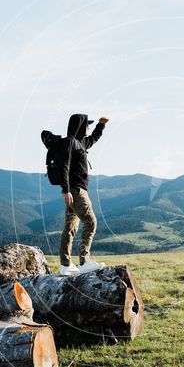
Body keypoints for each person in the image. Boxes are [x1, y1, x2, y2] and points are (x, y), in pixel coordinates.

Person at [42, 113, 110, 276]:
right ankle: (84, 261)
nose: (88, 128)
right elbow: (64, 166)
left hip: (76, 191)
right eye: (87, 125)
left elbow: (94, 138)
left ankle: (66, 265)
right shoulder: (70, 143)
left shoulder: (81, 143)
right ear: (80, 126)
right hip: (76, 191)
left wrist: (101, 125)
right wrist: (66, 190)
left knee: (70, 227)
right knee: (91, 222)